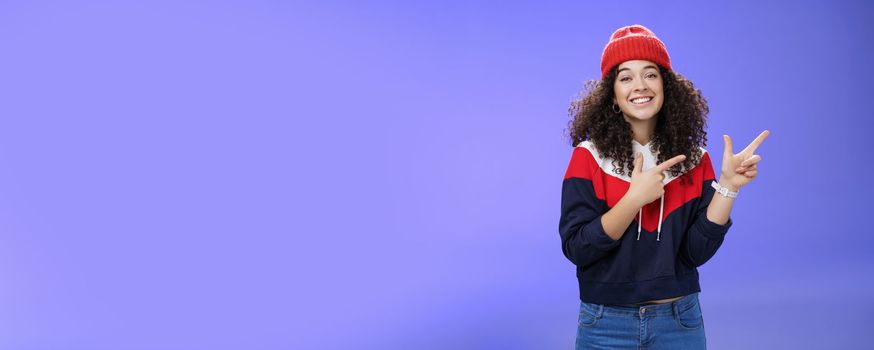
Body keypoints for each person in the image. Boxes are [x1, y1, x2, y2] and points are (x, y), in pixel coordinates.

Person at [559, 24, 769, 349]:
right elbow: (578, 248)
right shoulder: (588, 158)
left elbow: (695, 253)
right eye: (625, 77)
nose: (639, 85)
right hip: (605, 324)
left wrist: (728, 186)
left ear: (666, 85)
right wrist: (633, 201)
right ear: (611, 94)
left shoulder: (696, 160)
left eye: (650, 74)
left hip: (679, 322)